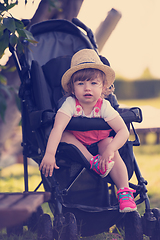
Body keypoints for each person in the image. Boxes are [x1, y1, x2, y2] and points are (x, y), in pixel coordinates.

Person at [39, 49, 137, 212]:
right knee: (64, 134)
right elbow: (57, 128)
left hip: (100, 141)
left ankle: (124, 191)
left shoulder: (104, 106)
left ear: (104, 86)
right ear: (72, 88)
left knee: (109, 143)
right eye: (81, 84)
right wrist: (49, 154)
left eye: (93, 83)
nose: (87, 88)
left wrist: (111, 149)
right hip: (76, 144)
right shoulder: (70, 104)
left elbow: (123, 131)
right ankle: (94, 161)